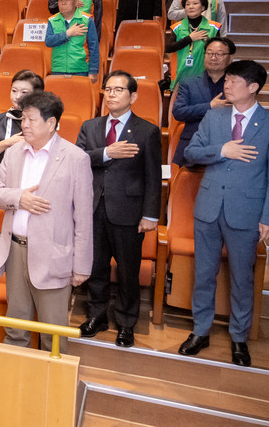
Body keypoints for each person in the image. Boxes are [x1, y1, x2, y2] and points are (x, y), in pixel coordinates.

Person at [180, 60, 269, 367]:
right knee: (203, 274)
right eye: (226, 80)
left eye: (234, 81)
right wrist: (221, 150)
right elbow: (191, 152)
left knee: (242, 278)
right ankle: (200, 331)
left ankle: (239, 337)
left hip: (247, 212)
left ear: (253, 88)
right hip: (209, 208)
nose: (226, 85)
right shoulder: (214, 117)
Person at [0, 91, 93, 352]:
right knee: (16, 327)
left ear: (52, 123)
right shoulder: (14, 153)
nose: (25, 125)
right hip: (15, 251)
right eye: (23, 119)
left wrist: (81, 266)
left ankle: (52, 389)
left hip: (53, 256)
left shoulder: (75, 158)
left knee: (52, 333)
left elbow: (84, 218)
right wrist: (19, 198)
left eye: (32, 120)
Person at [76, 71, 162, 348]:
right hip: (93, 208)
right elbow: (76, 160)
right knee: (96, 267)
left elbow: (152, 176)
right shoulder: (90, 126)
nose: (111, 94)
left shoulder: (146, 130)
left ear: (133, 96)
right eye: (108, 89)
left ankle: (126, 323)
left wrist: (150, 214)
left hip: (129, 211)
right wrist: (105, 153)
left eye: (118, 90)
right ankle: (97, 315)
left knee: (128, 270)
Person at [171, 36, 235, 167]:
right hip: (192, 146)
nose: (213, 58)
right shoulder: (188, 81)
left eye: (219, 54)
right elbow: (178, 112)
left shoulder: (237, 84)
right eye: (209, 53)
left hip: (225, 147)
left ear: (230, 58)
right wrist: (210, 106)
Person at [0, 70, 44, 175]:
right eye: (14, 91)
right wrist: (7, 143)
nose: (17, 96)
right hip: (1, 182)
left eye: (24, 92)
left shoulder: (43, 121)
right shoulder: (0, 119)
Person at [166, 0, 220, 89]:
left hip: (204, 76)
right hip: (180, 75)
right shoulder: (177, 27)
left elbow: (219, 51)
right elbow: (168, 48)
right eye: (187, 4)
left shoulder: (214, 27)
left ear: (203, 7)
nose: (191, 7)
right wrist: (189, 39)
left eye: (195, 3)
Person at [45, 0, 99, 81]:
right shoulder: (52, 20)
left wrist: (93, 71)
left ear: (76, 1)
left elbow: (94, 47)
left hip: (80, 69)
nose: (63, 3)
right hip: (58, 69)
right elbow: (49, 41)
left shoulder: (86, 19)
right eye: (60, 0)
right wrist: (67, 34)